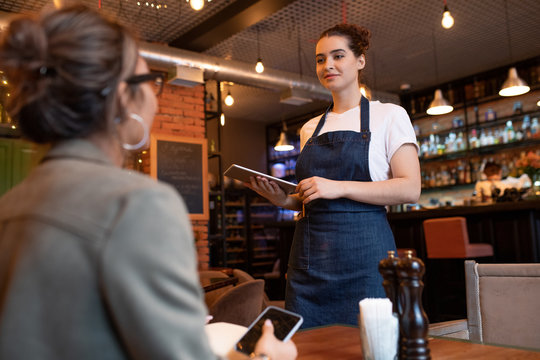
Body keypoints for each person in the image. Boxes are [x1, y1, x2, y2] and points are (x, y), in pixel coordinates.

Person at [0, 5, 296, 360]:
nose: (155, 97)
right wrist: (265, 357)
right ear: (123, 97)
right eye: (150, 81)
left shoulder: (10, 207)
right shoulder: (138, 205)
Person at [247, 24, 420, 328]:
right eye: (320, 59)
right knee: (308, 346)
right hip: (310, 263)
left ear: (360, 60)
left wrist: (336, 186)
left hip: (366, 259)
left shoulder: (390, 115)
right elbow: (311, 198)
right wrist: (283, 199)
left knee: (369, 345)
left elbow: (410, 188)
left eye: (338, 56)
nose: (327, 65)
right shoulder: (309, 128)